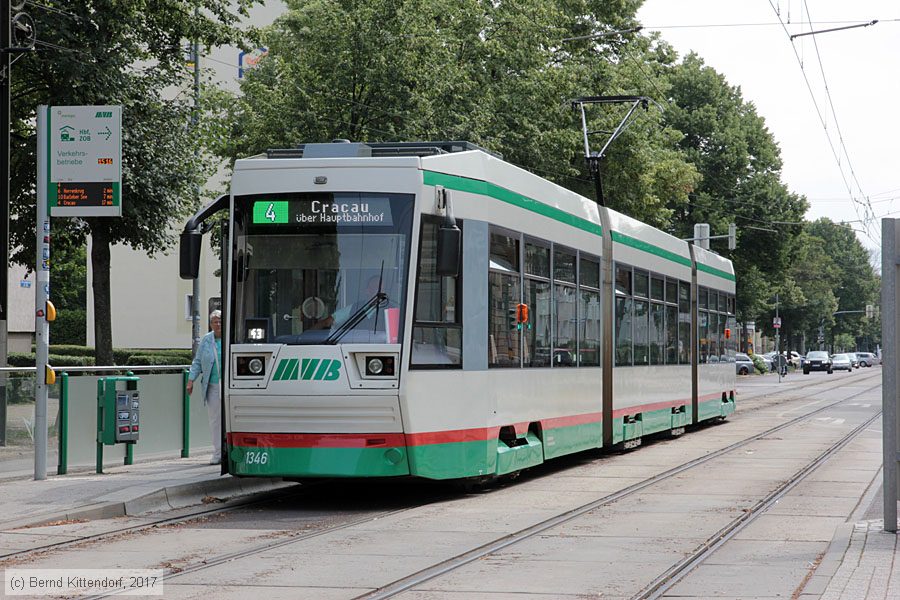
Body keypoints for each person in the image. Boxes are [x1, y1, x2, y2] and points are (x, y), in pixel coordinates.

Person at [187, 310, 223, 465]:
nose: (218, 324)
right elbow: (197, 361)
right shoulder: (207, 341)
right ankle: (217, 453)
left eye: (220, 320)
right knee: (215, 420)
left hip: (229, 385)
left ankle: (230, 450)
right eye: (215, 321)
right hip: (213, 385)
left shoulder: (230, 337)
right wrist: (190, 380)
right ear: (210, 324)